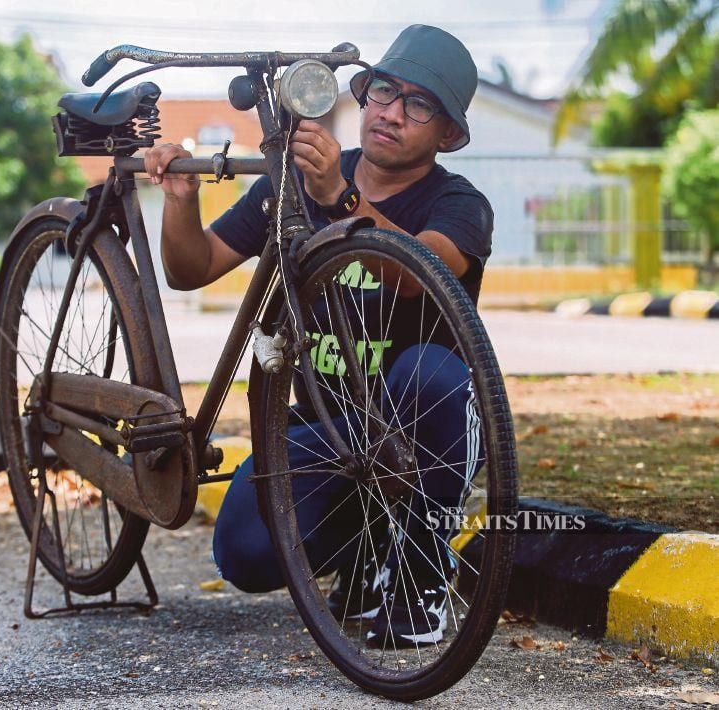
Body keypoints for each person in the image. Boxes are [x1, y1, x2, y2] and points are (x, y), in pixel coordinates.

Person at [144, 25, 493, 648]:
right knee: (245, 554)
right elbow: (190, 268)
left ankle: (421, 577)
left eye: (419, 105)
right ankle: (364, 552)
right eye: (384, 92)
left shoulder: (460, 204)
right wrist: (180, 198)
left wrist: (340, 195)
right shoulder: (296, 182)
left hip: (422, 433)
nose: (391, 114)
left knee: (430, 377)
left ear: (447, 134)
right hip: (326, 431)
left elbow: (418, 273)